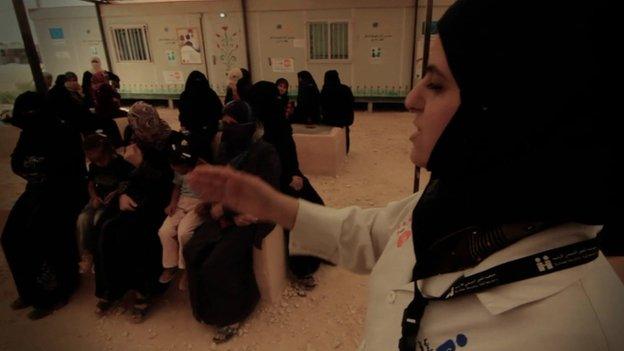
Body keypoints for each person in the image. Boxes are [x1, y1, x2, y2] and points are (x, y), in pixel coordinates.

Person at [187, 0, 623, 350]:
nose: (411, 100)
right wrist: (273, 205)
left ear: (509, 113)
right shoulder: (455, 204)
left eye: (435, 85)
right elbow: (375, 233)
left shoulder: (579, 331)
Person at [184, 100, 281, 343]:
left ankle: (235, 313)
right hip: (226, 214)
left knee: (217, 262)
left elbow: (263, 192)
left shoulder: (264, 151)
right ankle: (207, 311)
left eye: (232, 124)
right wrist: (219, 208)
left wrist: (229, 210)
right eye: (224, 123)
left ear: (247, 125)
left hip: (252, 218)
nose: (226, 129)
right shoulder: (226, 148)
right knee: (194, 249)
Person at [2, 90, 87, 320]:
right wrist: (34, 172)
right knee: (11, 236)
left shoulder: (64, 131)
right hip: (37, 192)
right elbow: (17, 162)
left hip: (65, 194)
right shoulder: (29, 133)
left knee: (44, 235)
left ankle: (56, 292)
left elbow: (71, 172)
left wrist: (39, 170)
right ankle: (29, 291)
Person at [94, 102, 173, 323]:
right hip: (135, 194)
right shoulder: (134, 137)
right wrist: (122, 194)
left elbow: (170, 182)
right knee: (106, 227)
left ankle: (144, 292)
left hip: (161, 199)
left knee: (137, 233)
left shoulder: (168, 140)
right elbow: (124, 175)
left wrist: (141, 165)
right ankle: (112, 289)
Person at [248, 81, 325, 290]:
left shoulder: (276, 121)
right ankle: (302, 269)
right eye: (274, 97)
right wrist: (288, 179)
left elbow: (288, 154)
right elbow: (262, 165)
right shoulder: (255, 127)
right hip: (271, 183)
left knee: (316, 204)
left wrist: (295, 174)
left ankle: (320, 252)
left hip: (289, 176)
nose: (278, 100)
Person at [76, 134, 133, 274]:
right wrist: (94, 197)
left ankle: (98, 256)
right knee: (82, 220)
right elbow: (90, 184)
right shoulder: (94, 166)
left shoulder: (120, 164)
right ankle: (87, 255)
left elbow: (128, 184)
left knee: (98, 221)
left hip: (111, 203)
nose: (88, 156)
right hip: (97, 200)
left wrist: (116, 193)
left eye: (91, 152)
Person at [158, 132, 204, 289]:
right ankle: (170, 265)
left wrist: (205, 205)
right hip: (182, 202)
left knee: (184, 233)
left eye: (175, 165)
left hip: (198, 204)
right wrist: (172, 203)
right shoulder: (179, 170)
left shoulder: (206, 170)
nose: (172, 168)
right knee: (164, 231)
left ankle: (186, 268)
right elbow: (177, 186)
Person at [178, 71, 223, 163]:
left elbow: (183, 115)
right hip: (209, 129)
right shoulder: (210, 94)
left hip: (193, 130)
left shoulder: (185, 95)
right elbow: (219, 111)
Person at [320, 70, 354, 153]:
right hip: (344, 120)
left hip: (329, 120)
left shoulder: (325, 90)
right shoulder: (345, 89)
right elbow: (351, 103)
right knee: (345, 133)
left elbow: (322, 105)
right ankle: (345, 150)